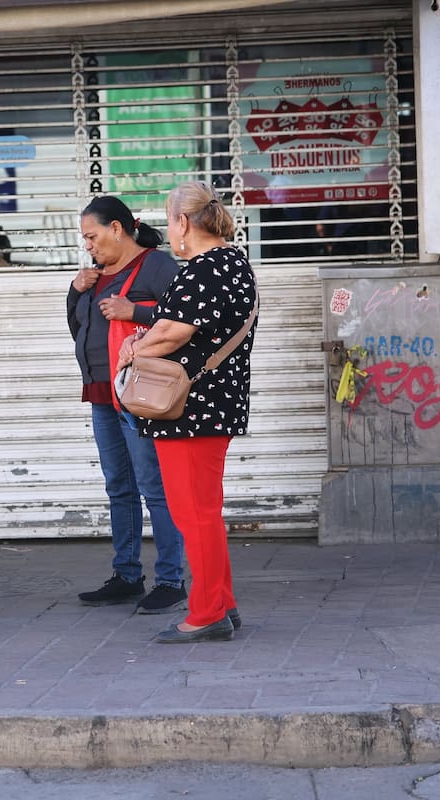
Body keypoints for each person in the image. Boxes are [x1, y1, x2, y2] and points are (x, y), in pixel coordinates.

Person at [117, 181, 258, 643]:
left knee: (192, 514)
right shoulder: (235, 262)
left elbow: (172, 333)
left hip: (191, 410)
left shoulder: (204, 268)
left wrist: (132, 349)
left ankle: (206, 613)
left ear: (182, 222)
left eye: (168, 218)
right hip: (216, 405)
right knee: (205, 512)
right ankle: (223, 604)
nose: (168, 230)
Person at [67, 196, 187, 614]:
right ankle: (127, 575)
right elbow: (79, 327)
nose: (89, 246)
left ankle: (172, 579)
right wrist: (74, 290)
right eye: (85, 239)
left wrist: (133, 309)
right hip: (102, 391)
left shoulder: (157, 266)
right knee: (119, 486)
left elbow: (185, 319)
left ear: (118, 229)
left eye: (93, 236)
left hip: (140, 395)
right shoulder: (97, 274)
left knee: (155, 487)